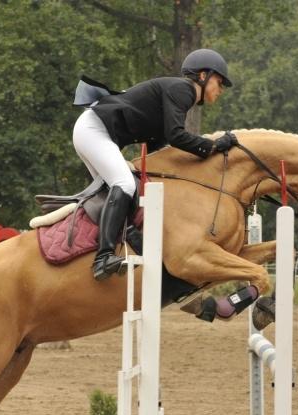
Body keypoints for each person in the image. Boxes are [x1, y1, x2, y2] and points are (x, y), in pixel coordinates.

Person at [73, 48, 237, 280]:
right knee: (125, 184)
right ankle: (103, 258)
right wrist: (214, 146)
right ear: (203, 76)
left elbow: (158, 149)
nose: (220, 90)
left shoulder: (175, 98)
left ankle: (116, 245)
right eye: (219, 82)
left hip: (92, 131)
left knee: (121, 192)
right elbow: (176, 136)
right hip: (94, 131)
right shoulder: (183, 89)